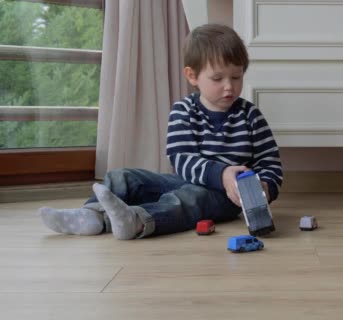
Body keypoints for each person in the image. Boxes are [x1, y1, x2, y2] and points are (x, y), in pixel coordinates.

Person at [39, 24, 283, 240]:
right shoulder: (183, 110)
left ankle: (138, 221)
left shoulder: (250, 115)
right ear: (192, 76)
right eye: (218, 78)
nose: (229, 86)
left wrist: (264, 187)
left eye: (236, 77)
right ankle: (91, 215)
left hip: (225, 197)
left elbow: (270, 161)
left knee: (189, 198)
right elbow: (181, 158)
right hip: (186, 179)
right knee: (122, 177)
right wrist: (221, 173)